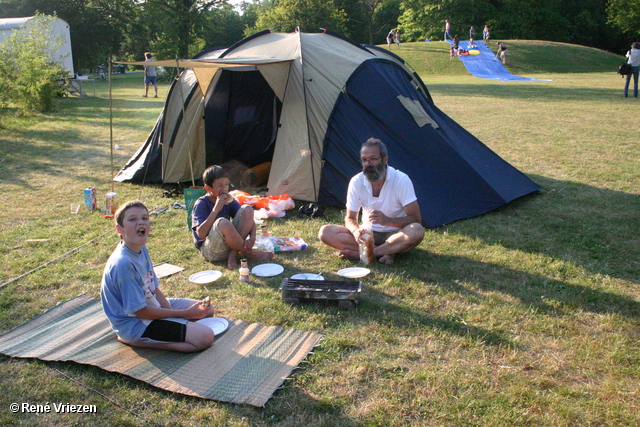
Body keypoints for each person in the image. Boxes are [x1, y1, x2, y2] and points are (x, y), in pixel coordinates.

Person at [101, 200, 215, 353]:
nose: (140, 222)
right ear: (119, 229)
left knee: (207, 310)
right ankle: (137, 341)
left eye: (144, 218)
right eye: (132, 219)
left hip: (150, 305)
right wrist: (185, 314)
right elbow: (141, 312)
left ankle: (179, 328)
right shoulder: (123, 264)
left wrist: (176, 318)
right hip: (135, 323)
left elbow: (154, 288)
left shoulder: (141, 249)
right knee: (205, 337)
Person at [318, 138, 425, 265]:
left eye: (373, 159)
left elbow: (415, 219)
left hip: (395, 234)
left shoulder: (401, 180)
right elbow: (350, 218)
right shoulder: (356, 182)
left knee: (416, 230)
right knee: (325, 232)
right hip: (368, 235)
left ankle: (367, 254)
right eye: (364, 160)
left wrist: (388, 221)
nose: (368, 164)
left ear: (385, 159)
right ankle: (386, 252)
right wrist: (356, 231)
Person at [192, 165, 274, 269]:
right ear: (208, 188)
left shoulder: (228, 200)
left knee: (248, 209)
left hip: (230, 245)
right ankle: (250, 253)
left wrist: (252, 237)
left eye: (226, 184)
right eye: (219, 185)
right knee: (223, 222)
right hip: (211, 250)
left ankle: (232, 255)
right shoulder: (201, 204)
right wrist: (216, 209)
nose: (224, 189)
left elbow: (247, 218)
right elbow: (201, 234)